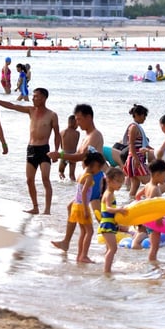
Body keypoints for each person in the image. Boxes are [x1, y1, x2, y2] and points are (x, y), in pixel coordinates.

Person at [0, 87, 60, 215]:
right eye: (33, 96)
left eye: (37, 96)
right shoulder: (31, 110)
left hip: (44, 150)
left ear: (44, 98)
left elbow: (57, 134)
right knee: (29, 180)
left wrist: (56, 151)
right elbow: (12, 106)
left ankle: (47, 209)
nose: (34, 98)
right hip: (31, 149)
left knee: (45, 178)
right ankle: (35, 207)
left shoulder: (52, 115)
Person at [49, 104, 106, 253]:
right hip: (88, 180)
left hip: (94, 180)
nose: (78, 123)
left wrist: (60, 155)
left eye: (80, 119)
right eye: (76, 119)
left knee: (99, 216)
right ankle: (67, 243)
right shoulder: (86, 135)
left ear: (89, 117)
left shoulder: (95, 135)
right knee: (82, 211)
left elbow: (82, 156)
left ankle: (114, 243)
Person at [67, 152, 105, 263]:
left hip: (76, 205)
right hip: (82, 207)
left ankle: (80, 256)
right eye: (100, 167)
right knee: (90, 232)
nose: (100, 170)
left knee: (83, 232)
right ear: (94, 165)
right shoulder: (89, 177)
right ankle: (84, 256)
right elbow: (84, 193)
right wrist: (85, 209)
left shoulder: (81, 174)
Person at [130, 160, 165, 262]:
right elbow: (153, 206)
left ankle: (152, 262)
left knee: (154, 246)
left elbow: (137, 196)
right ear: (157, 174)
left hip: (148, 221)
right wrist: (159, 219)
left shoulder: (148, 185)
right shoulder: (155, 189)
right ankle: (153, 264)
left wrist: (139, 207)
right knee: (154, 247)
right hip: (154, 222)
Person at [98, 167, 128, 274]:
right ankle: (107, 271)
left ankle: (107, 268)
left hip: (109, 224)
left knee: (109, 249)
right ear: (109, 180)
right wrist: (119, 210)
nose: (120, 184)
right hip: (107, 225)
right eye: (118, 181)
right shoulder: (109, 194)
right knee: (113, 249)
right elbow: (108, 208)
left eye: (122, 182)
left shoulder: (109, 192)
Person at [120, 104, 152, 196]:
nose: (145, 118)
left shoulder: (136, 127)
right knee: (149, 182)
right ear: (137, 115)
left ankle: (130, 204)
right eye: (144, 115)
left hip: (135, 158)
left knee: (135, 185)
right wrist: (136, 159)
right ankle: (149, 203)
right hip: (135, 159)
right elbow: (131, 144)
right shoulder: (134, 127)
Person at [57, 114, 80, 182]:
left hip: (64, 154)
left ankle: (64, 184)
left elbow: (61, 146)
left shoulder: (62, 132)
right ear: (74, 124)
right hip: (73, 155)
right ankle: (72, 187)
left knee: (60, 172)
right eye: (77, 124)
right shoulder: (77, 133)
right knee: (72, 175)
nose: (78, 126)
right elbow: (75, 144)